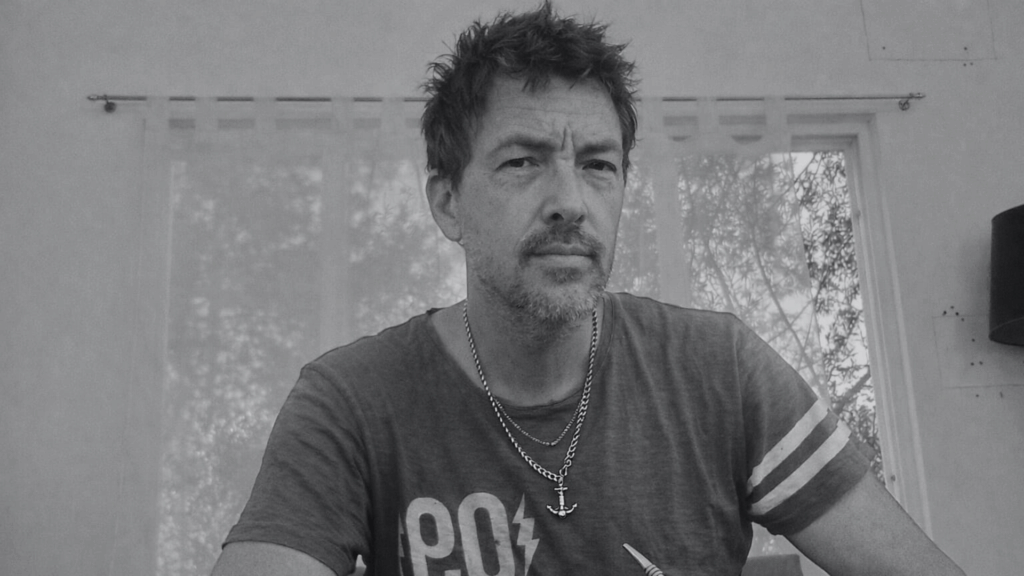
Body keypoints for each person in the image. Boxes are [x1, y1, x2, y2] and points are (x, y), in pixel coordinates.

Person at [212, 3, 966, 575]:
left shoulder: (722, 372)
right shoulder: (350, 401)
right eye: (523, 161)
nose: (570, 202)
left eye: (599, 165)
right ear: (446, 202)